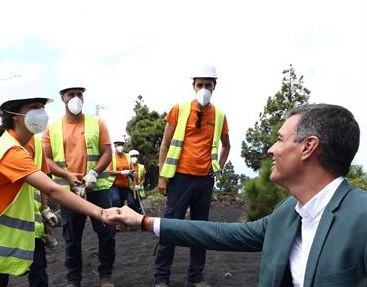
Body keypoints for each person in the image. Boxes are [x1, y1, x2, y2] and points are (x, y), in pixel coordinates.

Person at [110, 103, 367, 287]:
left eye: (279, 139)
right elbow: (222, 234)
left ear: (308, 147)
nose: (270, 149)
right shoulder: (287, 214)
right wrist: (144, 222)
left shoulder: (361, 217)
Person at [0, 76, 117, 287]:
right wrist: (101, 213)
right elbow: (54, 189)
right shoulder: (9, 151)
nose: (42, 113)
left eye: (42, 106)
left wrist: (44, 212)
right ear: (15, 114)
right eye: (34, 107)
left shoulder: (19, 144)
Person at [153, 65, 230, 287]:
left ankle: (196, 277)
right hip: (180, 179)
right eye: (200, 84)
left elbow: (227, 146)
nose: (204, 88)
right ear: (193, 85)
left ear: (215, 86)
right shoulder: (179, 109)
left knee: (201, 230)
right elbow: (165, 143)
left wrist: (219, 167)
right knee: (170, 227)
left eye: (208, 84)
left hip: (205, 181)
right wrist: (162, 176)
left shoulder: (220, 115)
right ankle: (161, 278)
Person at [41, 80, 115, 287]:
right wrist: (66, 176)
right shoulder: (52, 128)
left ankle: (106, 276)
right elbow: (46, 160)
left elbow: (107, 152)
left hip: (97, 188)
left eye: (78, 93)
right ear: (62, 97)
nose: (75, 98)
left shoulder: (97, 123)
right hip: (69, 192)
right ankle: (74, 280)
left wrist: (94, 172)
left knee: (107, 233)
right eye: (70, 94)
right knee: (72, 238)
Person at [0, 126, 59, 287]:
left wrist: (45, 208)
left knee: (38, 273)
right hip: (0, 225)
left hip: (31, 224)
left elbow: (43, 179)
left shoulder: (35, 141)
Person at [107, 139, 134, 208]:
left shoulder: (128, 156)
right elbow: (109, 171)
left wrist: (132, 173)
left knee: (121, 204)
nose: (120, 146)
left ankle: (118, 217)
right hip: (114, 185)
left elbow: (132, 169)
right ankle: (113, 217)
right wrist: (121, 172)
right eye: (118, 145)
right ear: (115, 145)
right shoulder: (111, 156)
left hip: (125, 185)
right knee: (116, 201)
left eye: (122, 145)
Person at [127, 149, 146, 214]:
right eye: (132, 156)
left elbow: (143, 179)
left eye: (136, 156)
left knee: (138, 205)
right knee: (131, 203)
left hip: (138, 189)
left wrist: (139, 185)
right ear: (129, 157)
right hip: (130, 189)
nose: (134, 158)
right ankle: (132, 217)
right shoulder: (128, 166)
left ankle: (138, 218)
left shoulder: (141, 167)